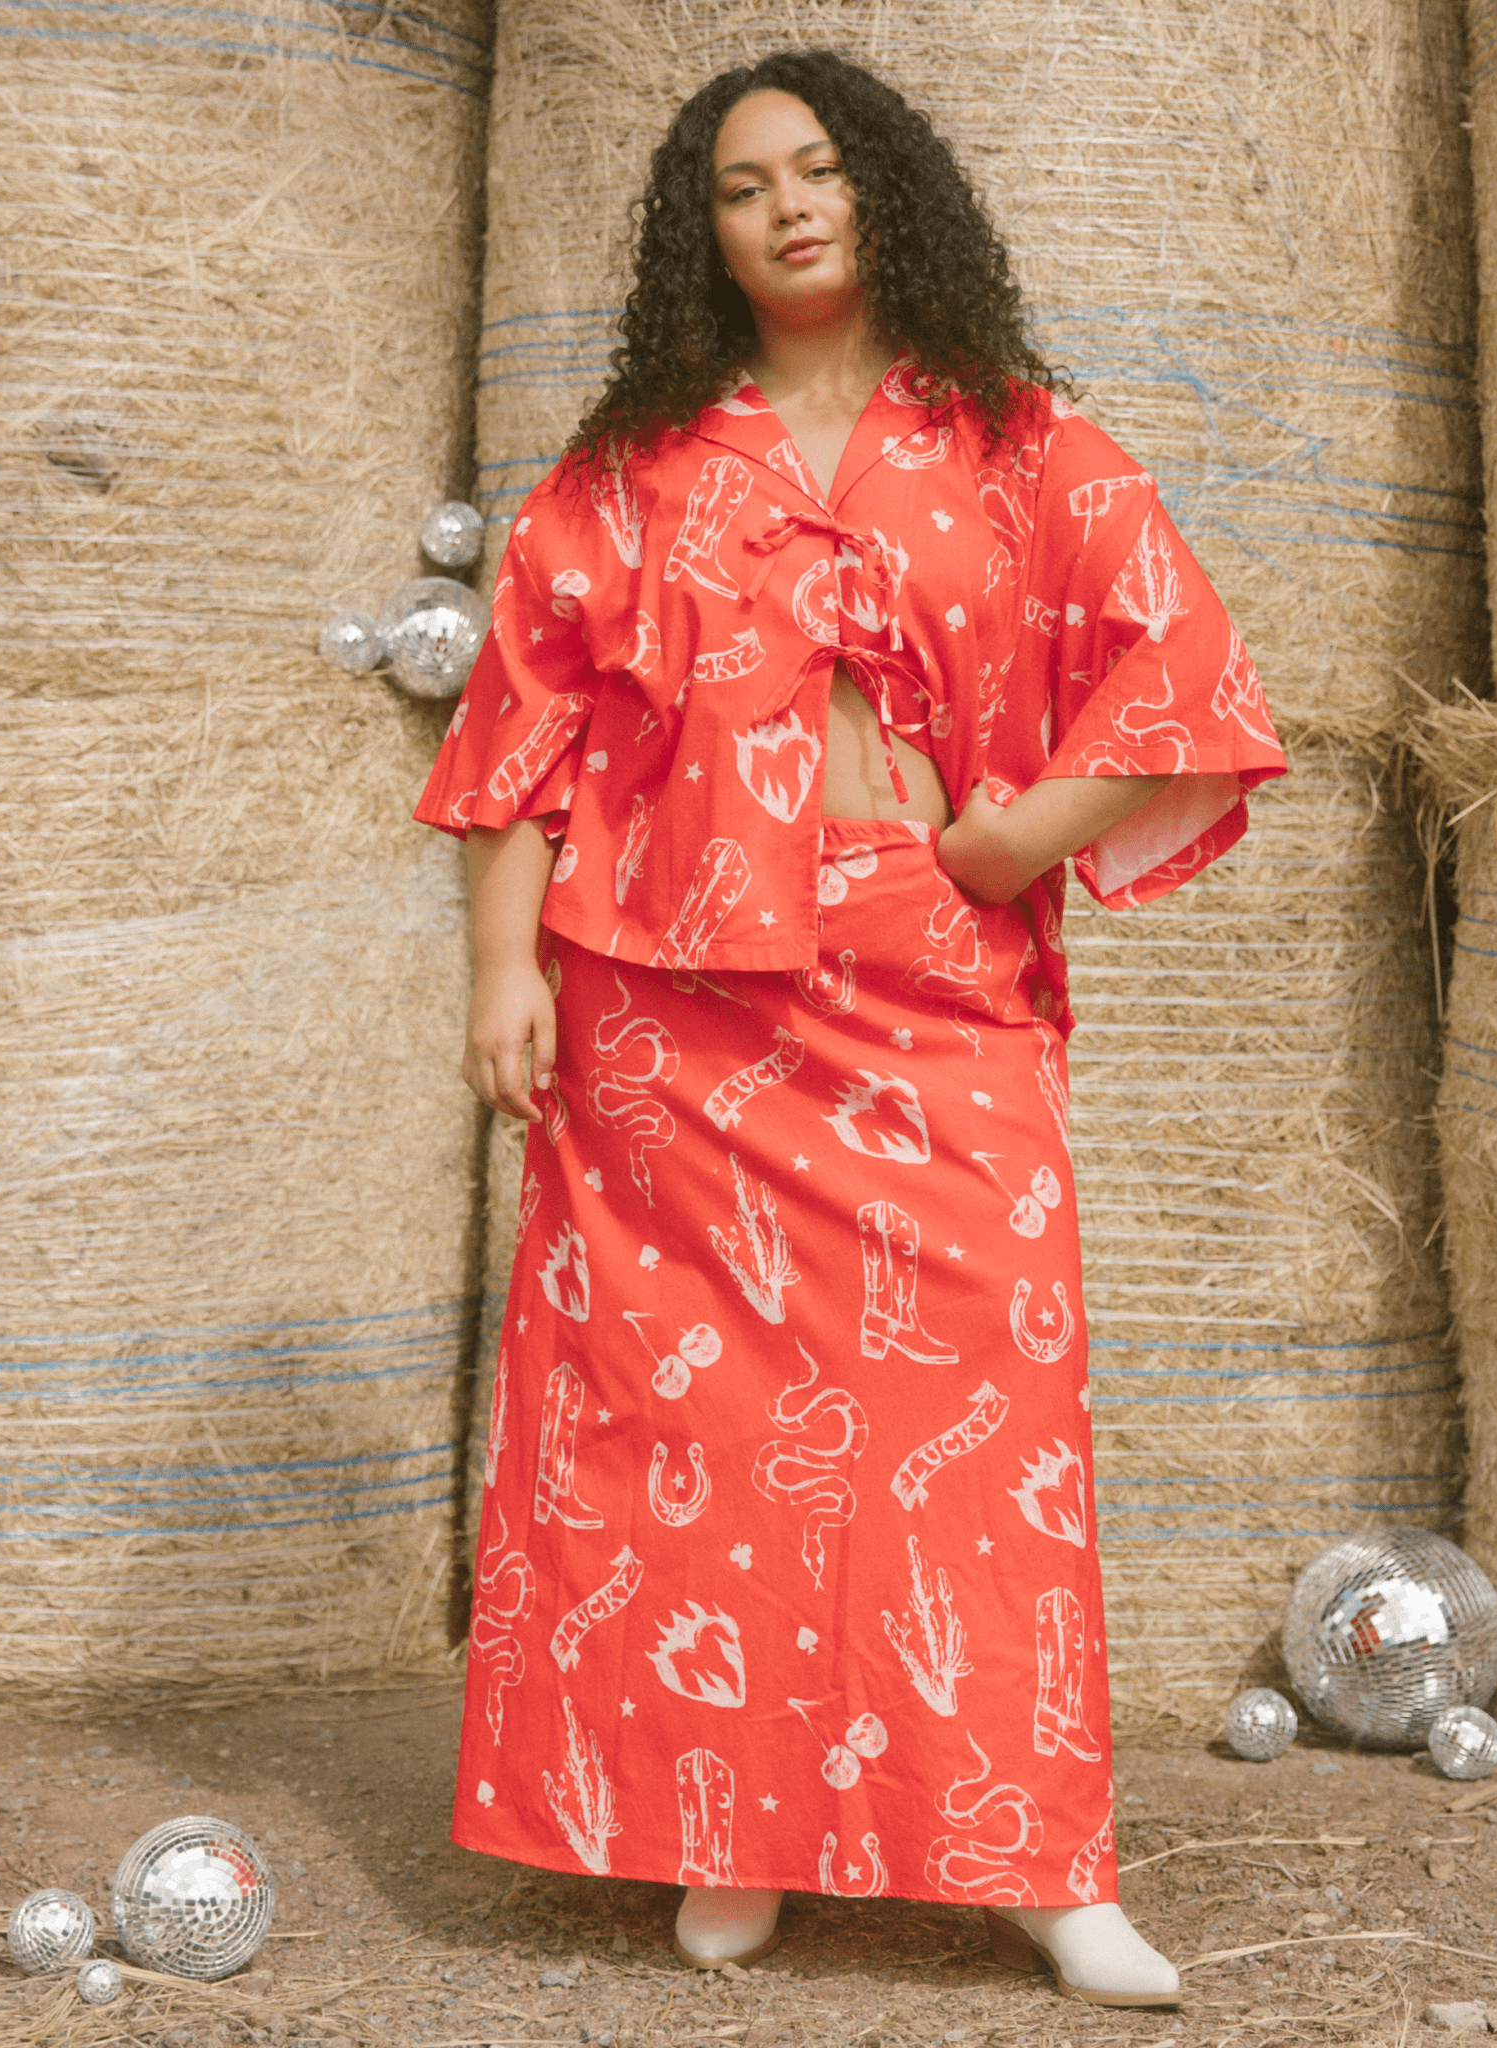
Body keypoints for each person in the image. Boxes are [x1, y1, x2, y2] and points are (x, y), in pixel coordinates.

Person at [416, 48, 1285, 2012]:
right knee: (702, 1439)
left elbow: (1186, 667)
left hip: (925, 982)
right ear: (702, 233)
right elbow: (520, 733)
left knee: (987, 1418)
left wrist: (1013, 839)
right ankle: (728, 1832)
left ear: (881, 189)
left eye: (816, 171)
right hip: (668, 1013)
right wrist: (501, 971)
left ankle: (1039, 1860)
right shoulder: (631, 469)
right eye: (743, 188)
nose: (788, 208)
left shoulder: (1013, 440)